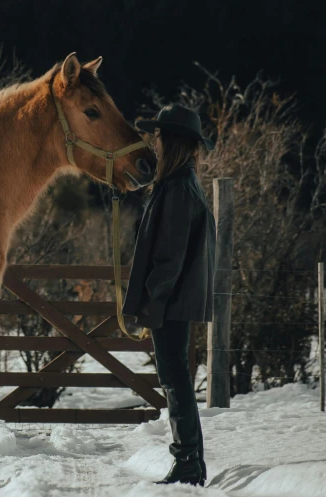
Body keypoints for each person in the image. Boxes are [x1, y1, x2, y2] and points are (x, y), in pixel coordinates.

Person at [123, 104, 216, 486]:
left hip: (171, 302)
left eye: (159, 135)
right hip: (174, 301)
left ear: (172, 140)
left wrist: (151, 304)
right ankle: (191, 460)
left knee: (174, 381)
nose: (154, 141)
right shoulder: (178, 184)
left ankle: (188, 463)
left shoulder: (178, 189)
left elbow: (168, 259)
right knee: (175, 379)